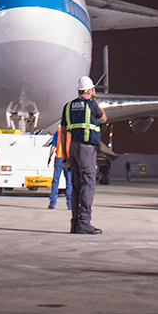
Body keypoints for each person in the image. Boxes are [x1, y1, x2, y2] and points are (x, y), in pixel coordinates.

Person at [60, 75, 107, 234]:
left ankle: (75, 223)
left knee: (76, 186)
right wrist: (95, 101)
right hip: (87, 149)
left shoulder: (68, 107)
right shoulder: (92, 105)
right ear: (90, 90)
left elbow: (63, 132)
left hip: (73, 148)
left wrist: (64, 155)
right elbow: (103, 118)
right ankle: (84, 223)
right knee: (88, 184)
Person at [47, 127, 71, 210]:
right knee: (69, 181)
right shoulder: (71, 132)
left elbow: (53, 147)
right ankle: (70, 204)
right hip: (68, 159)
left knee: (55, 180)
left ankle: (52, 203)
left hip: (58, 158)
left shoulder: (58, 132)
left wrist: (49, 158)